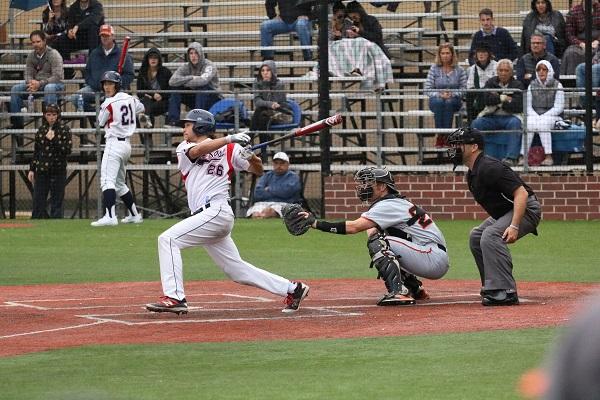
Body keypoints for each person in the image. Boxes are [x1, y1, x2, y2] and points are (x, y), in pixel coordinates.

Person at [145, 109, 310, 315]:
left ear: (200, 126)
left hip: (216, 210)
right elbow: (199, 151)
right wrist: (229, 138)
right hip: (205, 217)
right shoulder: (185, 148)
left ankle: (175, 297)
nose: (184, 128)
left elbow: (257, 170)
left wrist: (251, 157)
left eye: (188, 125)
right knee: (236, 270)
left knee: (168, 240)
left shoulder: (229, 150)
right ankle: (293, 289)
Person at [292, 167, 450, 306]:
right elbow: (370, 230)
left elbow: (354, 227)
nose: (362, 187)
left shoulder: (389, 205)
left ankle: (398, 291)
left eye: (368, 183)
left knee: (379, 243)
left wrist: (315, 224)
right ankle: (415, 289)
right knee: (377, 238)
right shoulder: (393, 203)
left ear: (382, 187)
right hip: (430, 255)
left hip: (431, 256)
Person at [447, 127, 541, 306]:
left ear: (474, 147)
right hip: (508, 211)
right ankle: (492, 285)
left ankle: (506, 291)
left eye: (458, 145)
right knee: (476, 236)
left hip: (526, 208)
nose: (454, 149)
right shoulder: (473, 172)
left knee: (491, 235)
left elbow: (521, 194)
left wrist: (513, 226)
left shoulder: (489, 167)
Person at [90, 71, 144, 227]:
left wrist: (105, 103)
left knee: (107, 180)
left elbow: (100, 122)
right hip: (126, 145)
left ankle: (110, 216)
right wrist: (130, 100)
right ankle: (134, 215)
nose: (107, 87)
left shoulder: (108, 103)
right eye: (105, 83)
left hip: (114, 143)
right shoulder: (130, 99)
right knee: (120, 183)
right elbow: (140, 107)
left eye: (110, 83)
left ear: (117, 85)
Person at [327, 1, 393, 90]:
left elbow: (377, 37)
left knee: (361, 41)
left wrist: (359, 32)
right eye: (351, 18)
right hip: (362, 55)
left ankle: (368, 82)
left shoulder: (371, 20)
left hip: (376, 51)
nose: (353, 19)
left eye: (354, 16)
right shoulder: (354, 24)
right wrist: (352, 36)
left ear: (359, 12)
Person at [471, 59, 525, 166]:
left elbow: (517, 106)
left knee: (516, 123)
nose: (503, 73)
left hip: (510, 117)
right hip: (491, 116)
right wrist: (504, 98)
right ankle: (476, 157)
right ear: (497, 71)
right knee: (476, 124)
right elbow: (485, 100)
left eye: (506, 70)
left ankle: (511, 158)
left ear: (511, 72)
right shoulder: (491, 82)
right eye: (501, 70)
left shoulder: (517, 84)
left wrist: (496, 98)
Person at [9, 30, 64, 133]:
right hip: (36, 84)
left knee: (49, 88)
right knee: (15, 89)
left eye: (38, 41)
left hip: (54, 84)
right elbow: (27, 73)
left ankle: (50, 126)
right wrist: (31, 82)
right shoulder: (30, 56)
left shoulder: (54, 54)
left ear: (44, 41)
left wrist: (40, 83)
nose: (35, 44)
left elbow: (57, 76)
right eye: (33, 42)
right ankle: (17, 125)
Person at [70, 25, 134, 113]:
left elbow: (129, 75)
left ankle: (104, 117)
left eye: (107, 35)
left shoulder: (122, 54)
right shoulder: (94, 53)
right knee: (75, 98)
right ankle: (97, 116)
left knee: (114, 101)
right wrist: (94, 84)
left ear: (113, 36)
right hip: (94, 89)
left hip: (115, 90)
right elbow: (87, 72)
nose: (104, 38)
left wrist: (116, 85)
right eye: (102, 36)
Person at [28, 103, 72, 219]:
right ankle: (36, 223)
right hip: (42, 170)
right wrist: (32, 169)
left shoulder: (64, 130)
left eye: (54, 114)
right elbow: (36, 151)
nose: (51, 117)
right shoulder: (41, 130)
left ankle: (55, 226)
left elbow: (67, 150)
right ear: (44, 115)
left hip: (58, 169)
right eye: (48, 114)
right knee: (38, 200)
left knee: (57, 201)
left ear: (58, 115)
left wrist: (55, 140)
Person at [166, 42, 221, 127]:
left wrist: (184, 82)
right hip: (196, 98)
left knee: (202, 87)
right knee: (175, 88)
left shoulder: (209, 65)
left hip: (212, 99)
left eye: (196, 53)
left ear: (201, 54)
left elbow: (203, 81)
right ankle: (173, 121)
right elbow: (172, 81)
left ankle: (197, 120)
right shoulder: (185, 67)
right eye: (191, 53)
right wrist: (191, 77)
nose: (193, 56)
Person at [424, 43, 467, 147]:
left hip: (454, 100)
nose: (445, 55)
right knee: (439, 102)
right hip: (436, 99)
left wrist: (452, 94)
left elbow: (464, 89)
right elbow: (427, 89)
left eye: (448, 53)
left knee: (448, 102)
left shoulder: (460, 70)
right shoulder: (433, 68)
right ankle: (440, 135)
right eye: (443, 53)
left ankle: (447, 136)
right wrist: (439, 94)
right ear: (439, 55)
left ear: (452, 54)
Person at [525, 60, 564, 166]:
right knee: (528, 124)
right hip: (534, 115)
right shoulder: (531, 85)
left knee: (543, 124)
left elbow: (559, 107)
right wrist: (536, 116)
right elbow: (528, 106)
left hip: (553, 116)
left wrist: (543, 116)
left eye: (544, 69)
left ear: (549, 71)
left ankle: (548, 156)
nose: (541, 72)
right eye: (539, 69)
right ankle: (523, 156)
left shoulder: (558, 85)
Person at [250, 60, 292, 158]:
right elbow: (257, 101)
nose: (265, 73)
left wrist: (269, 104)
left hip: (280, 114)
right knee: (262, 115)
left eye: (268, 70)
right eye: (262, 70)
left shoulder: (279, 84)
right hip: (264, 114)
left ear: (273, 71)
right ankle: (263, 152)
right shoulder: (257, 83)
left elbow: (278, 104)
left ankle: (249, 139)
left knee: (261, 113)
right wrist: (269, 103)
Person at [246, 152, 302, 218]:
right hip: (263, 203)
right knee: (255, 214)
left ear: (288, 164)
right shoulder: (267, 175)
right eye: (276, 163)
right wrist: (279, 190)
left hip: (284, 204)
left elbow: (287, 192)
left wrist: (269, 189)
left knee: (269, 212)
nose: (279, 166)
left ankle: (263, 218)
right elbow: (257, 193)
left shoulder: (293, 177)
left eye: (282, 163)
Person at [561, 0, 600, 75]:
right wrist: (581, 44)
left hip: (598, 43)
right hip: (579, 44)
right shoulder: (574, 11)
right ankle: (571, 82)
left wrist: (598, 41)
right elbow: (569, 34)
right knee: (570, 53)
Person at [136, 47, 172, 127]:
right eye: (151, 57)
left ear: (159, 60)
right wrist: (152, 94)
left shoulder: (166, 72)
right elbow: (139, 91)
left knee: (146, 109)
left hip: (162, 102)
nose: (153, 60)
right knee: (146, 102)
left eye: (155, 58)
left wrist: (161, 96)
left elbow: (171, 89)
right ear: (147, 59)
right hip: (147, 101)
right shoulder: (142, 72)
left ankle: (146, 123)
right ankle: (147, 134)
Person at [466, 45, 497, 123]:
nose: (481, 54)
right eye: (479, 52)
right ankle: (471, 123)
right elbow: (469, 86)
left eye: (483, 52)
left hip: (492, 94)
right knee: (469, 94)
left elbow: (497, 83)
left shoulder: (496, 66)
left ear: (489, 54)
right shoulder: (472, 68)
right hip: (477, 95)